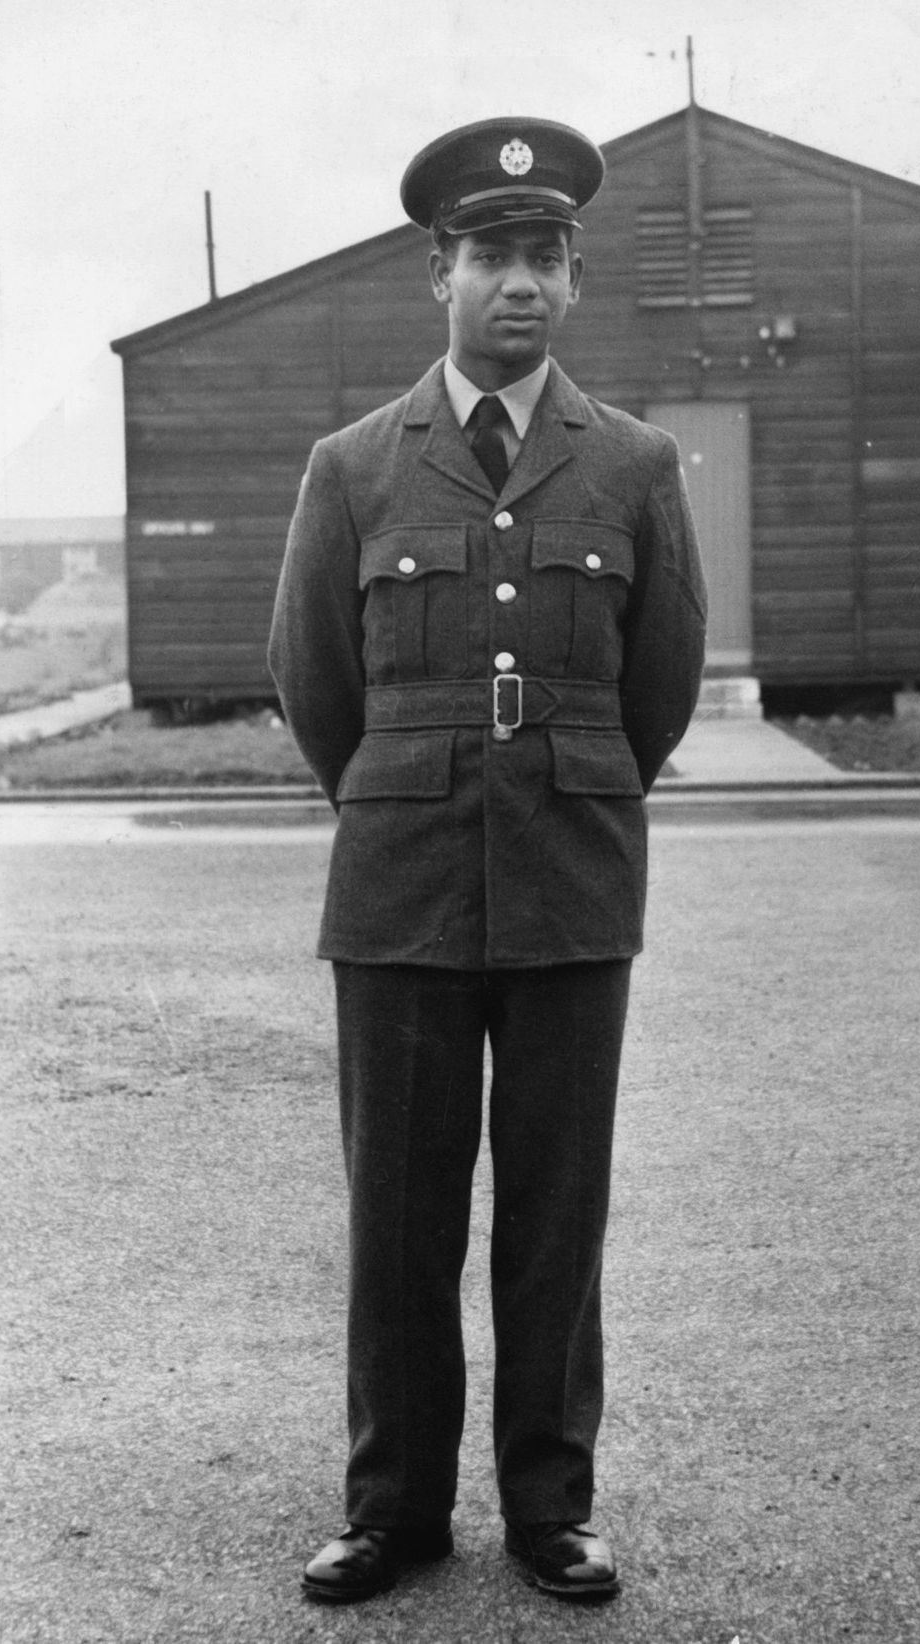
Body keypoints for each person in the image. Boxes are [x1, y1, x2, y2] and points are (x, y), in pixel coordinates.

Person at [269, 115, 706, 1605]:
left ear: (573, 285)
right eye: (490, 256)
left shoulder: (636, 464)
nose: (518, 284)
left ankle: (551, 1508)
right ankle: (391, 1511)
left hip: (575, 882)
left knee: (555, 1211)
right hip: (398, 890)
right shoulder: (351, 467)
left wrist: (572, 796)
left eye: (545, 258)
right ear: (437, 275)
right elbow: (314, 680)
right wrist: (397, 795)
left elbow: (662, 688)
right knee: (398, 1214)